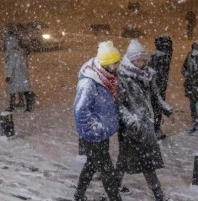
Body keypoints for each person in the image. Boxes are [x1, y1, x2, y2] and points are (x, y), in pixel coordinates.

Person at [116, 39, 174, 201]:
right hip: (131, 129)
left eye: (143, 59)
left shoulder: (147, 75)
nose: (142, 63)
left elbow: (155, 96)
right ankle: (157, 195)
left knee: (136, 161)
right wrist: (132, 121)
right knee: (134, 161)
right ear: (130, 59)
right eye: (138, 60)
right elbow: (119, 106)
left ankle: (117, 185)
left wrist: (167, 110)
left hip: (146, 125)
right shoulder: (122, 78)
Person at [73, 41, 122, 201]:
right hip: (94, 135)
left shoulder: (106, 78)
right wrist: (95, 129)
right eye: (114, 64)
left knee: (91, 164)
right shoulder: (89, 83)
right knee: (107, 171)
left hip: (102, 133)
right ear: (106, 64)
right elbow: (80, 110)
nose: (117, 67)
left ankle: (79, 195)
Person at [5, 26, 34, 112]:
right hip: (22, 73)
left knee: (13, 90)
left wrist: (8, 76)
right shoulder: (20, 50)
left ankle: (12, 106)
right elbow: (25, 63)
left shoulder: (12, 52)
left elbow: (10, 65)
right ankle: (28, 106)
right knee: (25, 89)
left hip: (15, 75)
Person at [148, 35, 173, 140]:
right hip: (157, 86)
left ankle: (155, 128)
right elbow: (158, 73)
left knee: (156, 107)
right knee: (156, 107)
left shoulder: (160, 55)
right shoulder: (162, 55)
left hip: (158, 85)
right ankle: (155, 129)